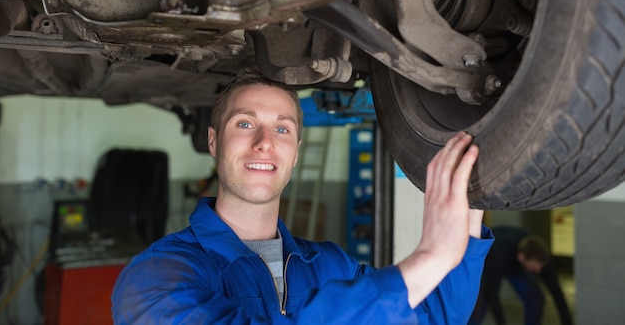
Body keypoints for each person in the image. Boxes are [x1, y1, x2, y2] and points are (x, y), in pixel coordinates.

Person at [111, 68, 494, 324]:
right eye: (245, 124)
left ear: (295, 152)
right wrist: (429, 256)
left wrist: (469, 215)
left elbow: (434, 316)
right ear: (214, 141)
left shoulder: (328, 264)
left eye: (282, 130)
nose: (264, 143)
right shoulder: (156, 277)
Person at [469, 225, 573, 325]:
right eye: (534, 268)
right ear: (521, 257)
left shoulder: (540, 258)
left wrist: (567, 322)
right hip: (491, 261)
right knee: (479, 308)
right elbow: (492, 291)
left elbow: (556, 291)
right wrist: (501, 322)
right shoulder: (497, 254)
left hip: (515, 266)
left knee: (535, 298)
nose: (538, 272)